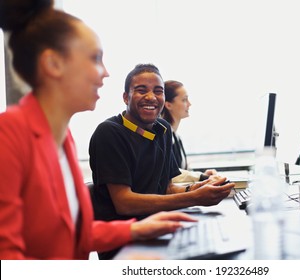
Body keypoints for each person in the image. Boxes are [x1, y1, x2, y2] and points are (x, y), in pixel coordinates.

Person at [0, 0, 195, 260]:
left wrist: (136, 230)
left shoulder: (63, 138)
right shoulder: (9, 134)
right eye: (95, 59)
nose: (105, 73)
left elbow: (73, 236)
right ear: (54, 64)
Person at [88, 63, 235, 258]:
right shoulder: (110, 133)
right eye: (141, 91)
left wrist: (199, 188)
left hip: (157, 229)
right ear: (126, 97)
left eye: (158, 91)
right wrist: (194, 198)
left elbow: (166, 188)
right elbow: (124, 202)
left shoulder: (162, 129)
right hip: (125, 246)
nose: (151, 97)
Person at [161, 80, 218, 183]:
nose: (189, 104)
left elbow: (182, 173)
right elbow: (171, 175)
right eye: (184, 100)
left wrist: (204, 175)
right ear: (168, 105)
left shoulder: (176, 137)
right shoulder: (162, 137)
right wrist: (201, 177)